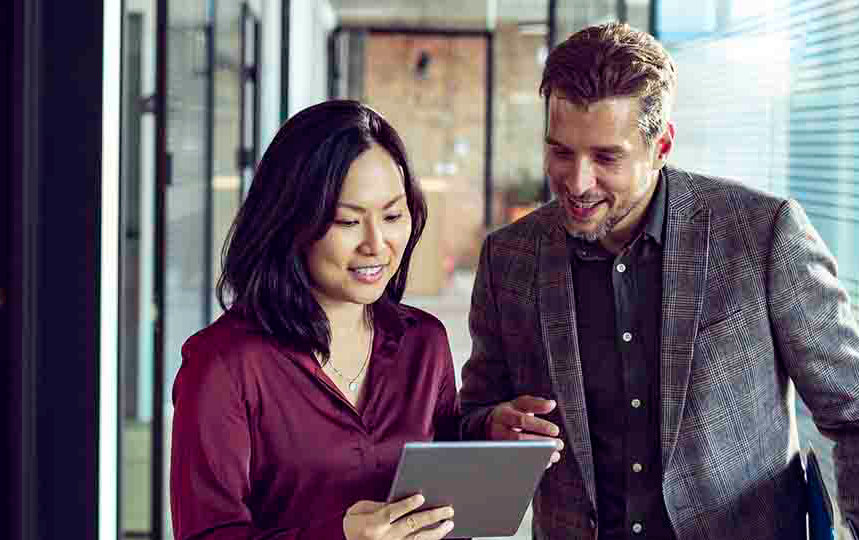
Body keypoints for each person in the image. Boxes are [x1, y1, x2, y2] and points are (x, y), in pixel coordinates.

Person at [459, 22, 859, 540]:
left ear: (662, 143)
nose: (577, 182)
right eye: (560, 152)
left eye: (606, 157)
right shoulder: (508, 258)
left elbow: (850, 409)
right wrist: (493, 424)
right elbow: (472, 411)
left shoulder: (763, 234)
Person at [170, 100, 458, 540]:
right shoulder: (224, 364)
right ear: (292, 223)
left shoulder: (425, 344)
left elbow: (449, 516)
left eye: (393, 216)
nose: (376, 244)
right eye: (347, 221)